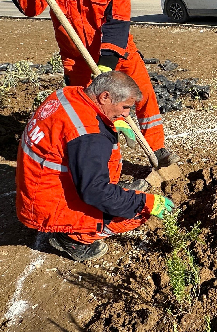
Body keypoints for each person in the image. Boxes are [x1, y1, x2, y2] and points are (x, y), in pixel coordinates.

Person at [0, 0, 180, 167]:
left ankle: (157, 149)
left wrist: (108, 62)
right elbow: (31, 6)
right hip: (78, 57)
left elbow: (118, 18)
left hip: (117, 51)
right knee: (91, 110)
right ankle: (106, 160)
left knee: (143, 96)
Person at [17, 71, 175, 261]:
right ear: (105, 96)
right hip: (48, 205)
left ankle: (112, 195)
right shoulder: (89, 137)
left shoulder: (69, 93)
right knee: (136, 214)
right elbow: (95, 192)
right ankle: (72, 239)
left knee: (107, 148)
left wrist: (112, 123)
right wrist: (145, 203)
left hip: (41, 183)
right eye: (125, 107)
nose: (126, 114)